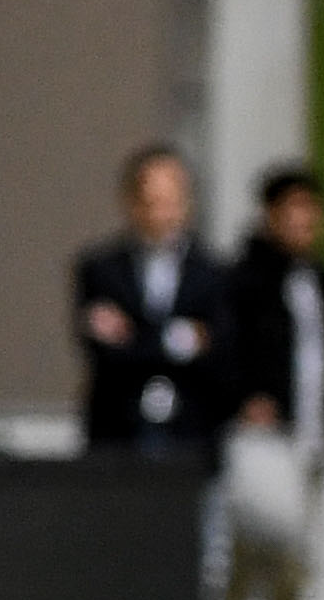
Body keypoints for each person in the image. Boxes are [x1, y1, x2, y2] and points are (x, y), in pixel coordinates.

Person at [217, 162, 324, 600]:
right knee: (246, 568)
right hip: (261, 448)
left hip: (308, 444)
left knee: (295, 574)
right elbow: (226, 351)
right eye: (292, 210)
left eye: (311, 211)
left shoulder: (322, 282)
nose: (303, 222)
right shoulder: (244, 279)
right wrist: (244, 397)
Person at [71, 143, 230, 458]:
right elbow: (106, 352)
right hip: (118, 429)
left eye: (171, 202)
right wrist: (180, 339)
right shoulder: (101, 269)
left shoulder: (213, 274)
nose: (162, 215)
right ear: (131, 203)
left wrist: (137, 336)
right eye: (152, 202)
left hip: (192, 431)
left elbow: (220, 350)